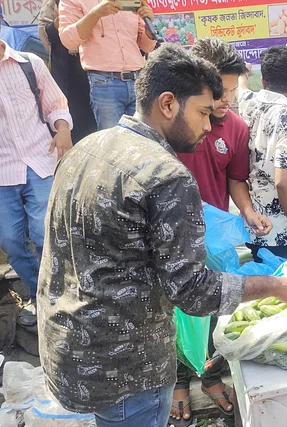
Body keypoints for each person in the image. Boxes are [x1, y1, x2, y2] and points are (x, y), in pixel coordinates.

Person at [36, 44, 287, 427]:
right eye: (203, 112)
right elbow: (193, 291)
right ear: (168, 104)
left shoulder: (87, 146)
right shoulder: (165, 174)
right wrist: (274, 286)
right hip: (127, 369)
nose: (208, 125)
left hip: (67, 351)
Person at [169, 37, 272, 424]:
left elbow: (236, 179)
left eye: (232, 88)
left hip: (214, 237)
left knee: (213, 308)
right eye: (221, 89)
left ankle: (210, 375)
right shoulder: (174, 123)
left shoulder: (236, 127)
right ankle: (179, 381)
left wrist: (247, 212)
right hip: (171, 237)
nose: (228, 97)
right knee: (175, 312)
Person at [0, 4, 73, 327]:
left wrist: (62, 129)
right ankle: (37, 293)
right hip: (2, 171)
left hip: (38, 160)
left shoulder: (29, 64)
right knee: (12, 240)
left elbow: (57, 103)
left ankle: (58, 299)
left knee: (45, 234)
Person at [238, 46, 287, 262]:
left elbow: (241, 88)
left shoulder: (249, 104)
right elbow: (284, 182)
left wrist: (244, 73)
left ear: (263, 81)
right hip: (281, 233)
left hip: (254, 226)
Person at [58, 0, 158, 130]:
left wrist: (149, 30)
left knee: (143, 141)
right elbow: (68, 39)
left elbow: (146, 46)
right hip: (105, 83)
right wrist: (96, 13)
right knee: (114, 144)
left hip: (138, 81)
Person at [44, 0, 97, 143]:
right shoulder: (52, 5)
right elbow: (47, 33)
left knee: (92, 123)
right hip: (65, 70)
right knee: (70, 115)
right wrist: (64, 19)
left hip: (95, 72)